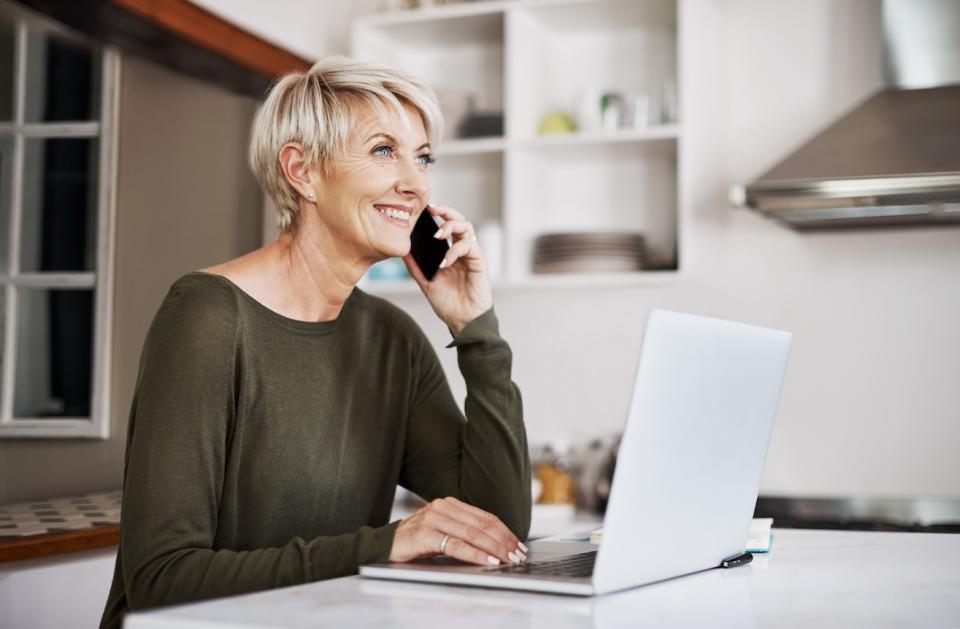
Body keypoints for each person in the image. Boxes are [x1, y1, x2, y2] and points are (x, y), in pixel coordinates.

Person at [100, 56, 531, 628]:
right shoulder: (206, 317)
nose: (417, 182)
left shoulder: (390, 339)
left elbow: (497, 526)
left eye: (422, 156)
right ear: (302, 171)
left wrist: (475, 330)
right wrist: (385, 545)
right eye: (384, 150)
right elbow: (161, 580)